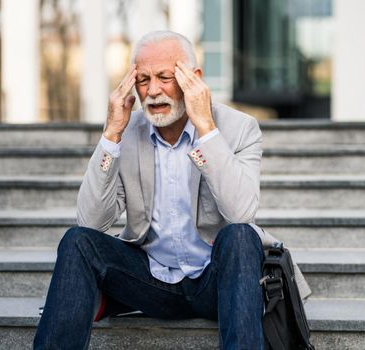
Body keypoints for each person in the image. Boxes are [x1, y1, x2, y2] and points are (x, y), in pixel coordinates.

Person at [33, 30, 309, 350]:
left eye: (165, 77)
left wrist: (206, 129)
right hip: (149, 281)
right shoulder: (130, 131)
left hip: (218, 284)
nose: (153, 91)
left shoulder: (239, 128)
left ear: (194, 79)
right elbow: (91, 221)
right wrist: (111, 134)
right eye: (143, 80)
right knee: (77, 241)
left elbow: (241, 212)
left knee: (241, 235)